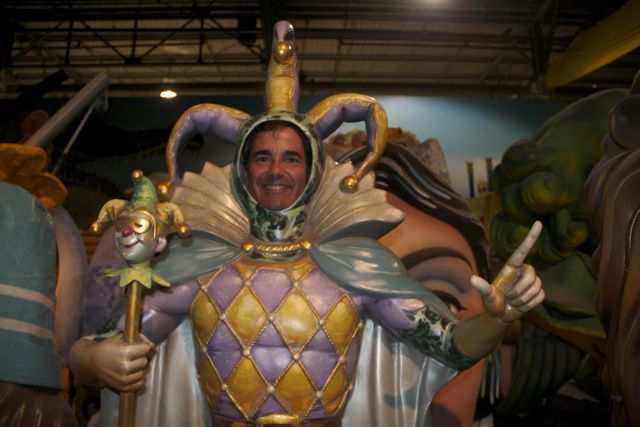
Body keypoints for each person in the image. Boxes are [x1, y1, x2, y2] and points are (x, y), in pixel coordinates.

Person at [70, 21, 544, 427]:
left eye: (291, 158)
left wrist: (496, 319)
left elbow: (452, 347)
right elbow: (97, 351)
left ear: (313, 170)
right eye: (263, 157)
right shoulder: (200, 266)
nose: (276, 170)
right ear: (243, 170)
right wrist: (96, 359)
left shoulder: (357, 267)